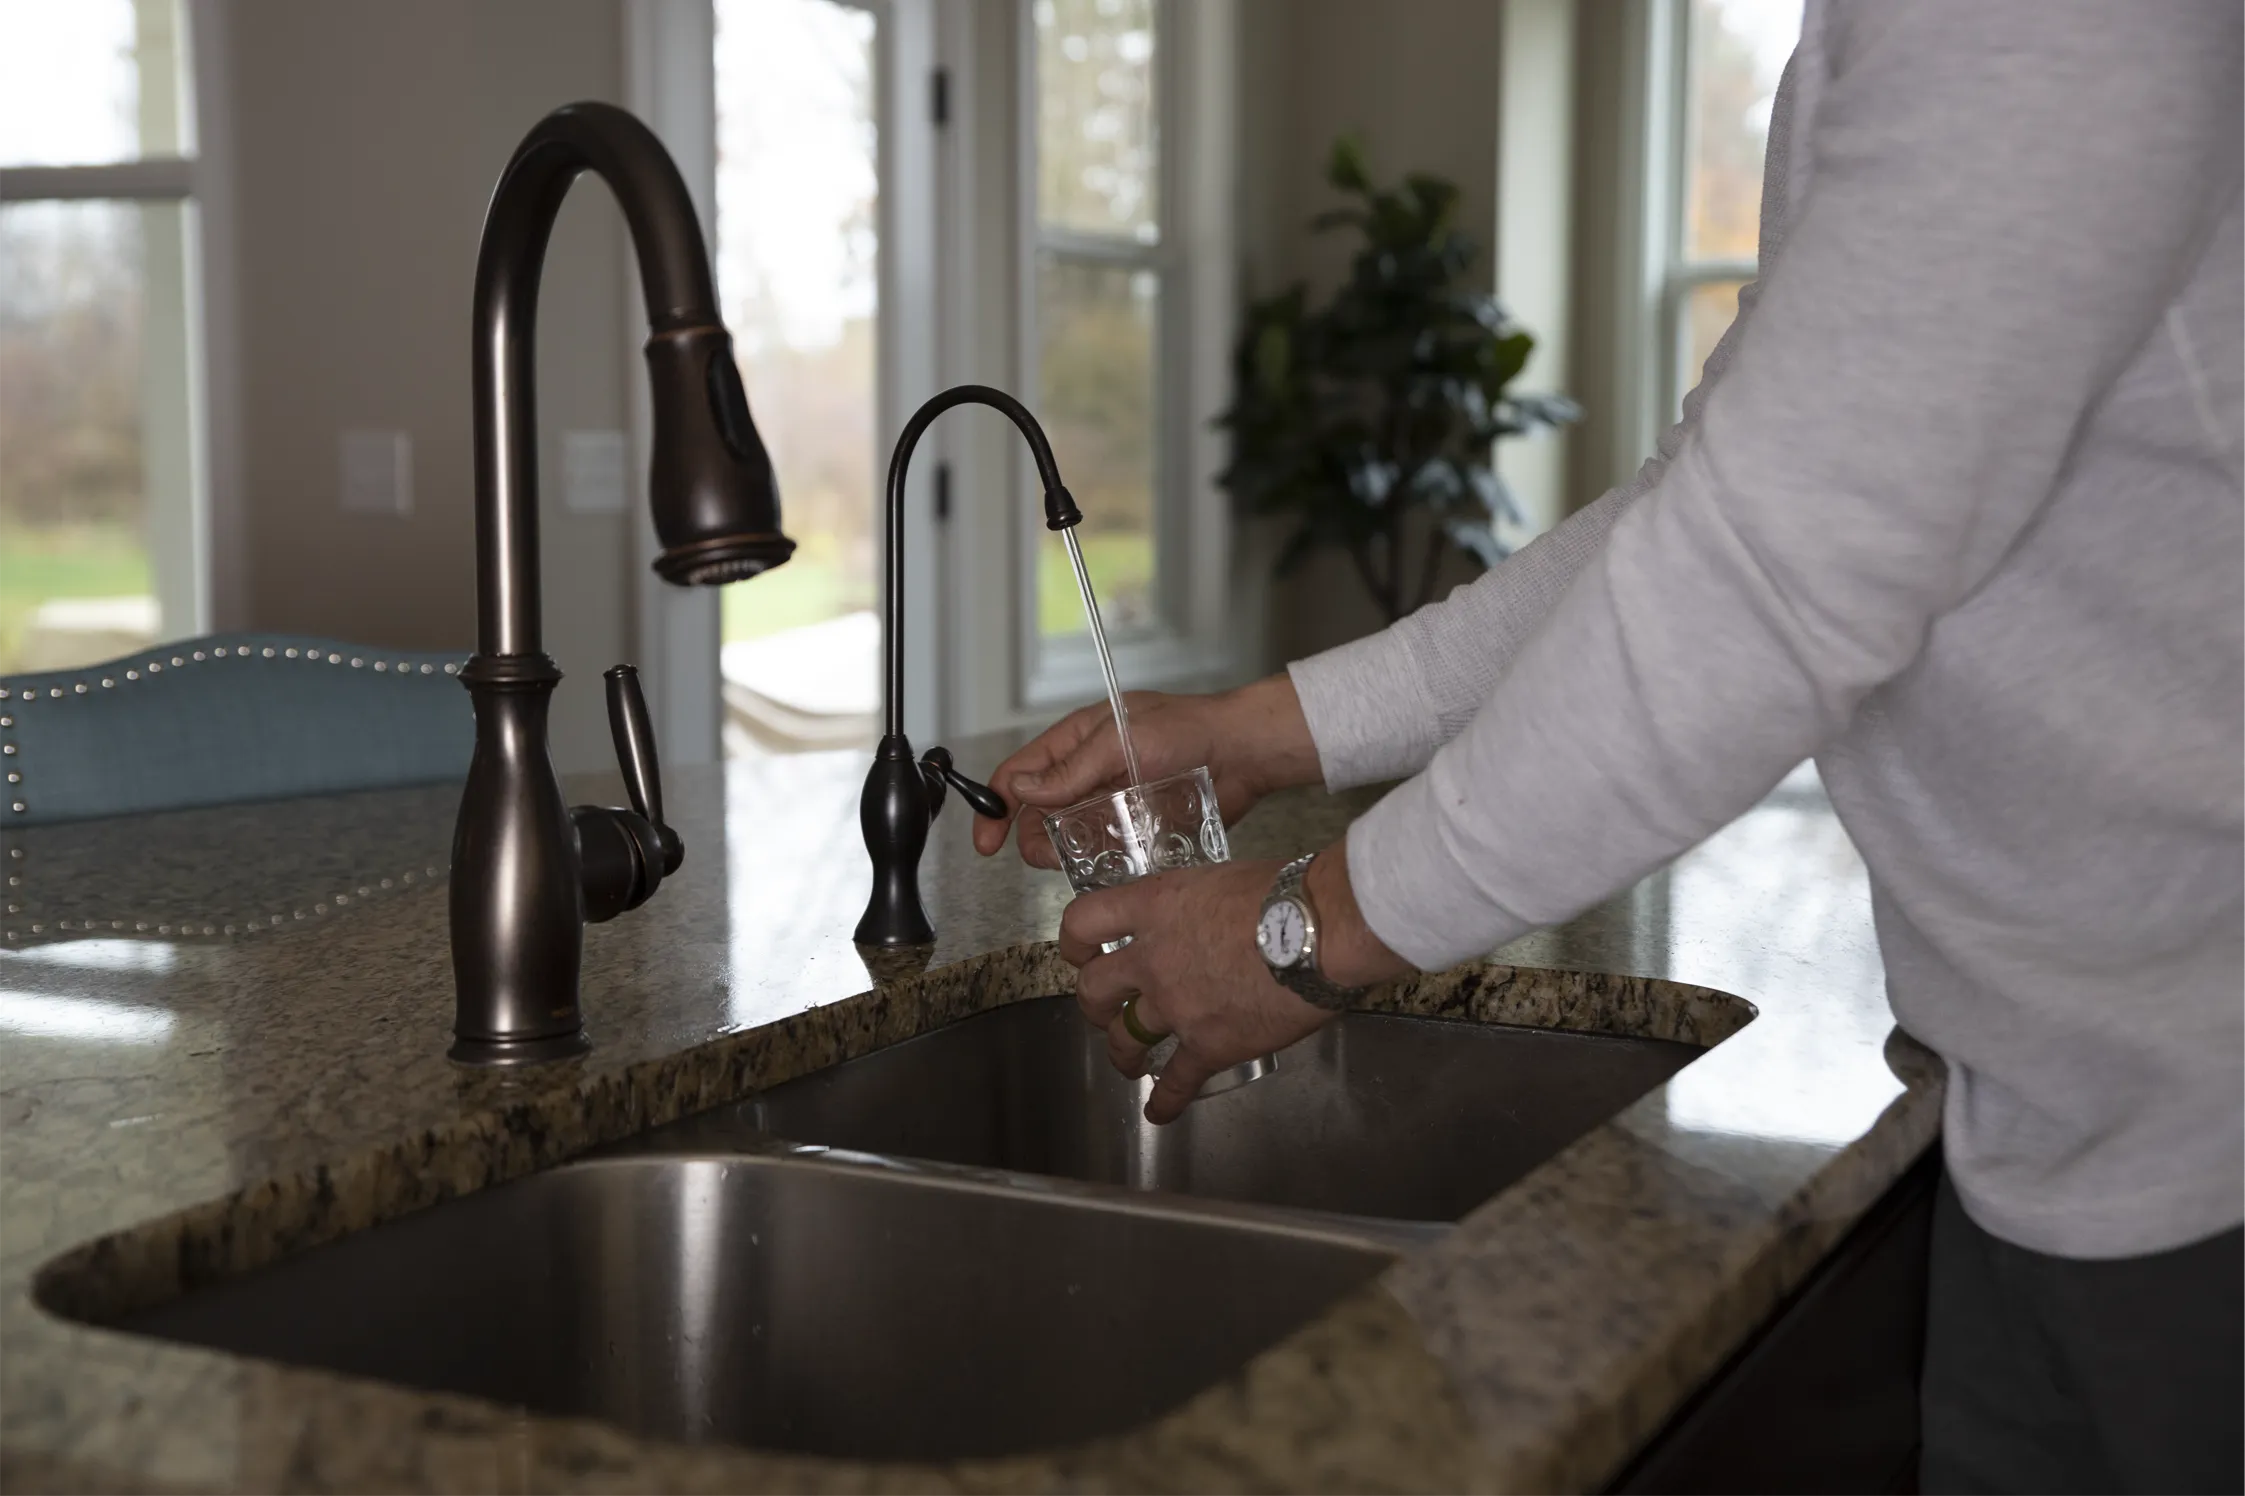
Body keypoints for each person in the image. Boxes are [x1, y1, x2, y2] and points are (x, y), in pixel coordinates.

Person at [972, 3, 2245, 1491]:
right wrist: (1266, 732)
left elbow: (1767, 587)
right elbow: (1702, 510)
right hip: (2056, 1095)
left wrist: (1302, 928)